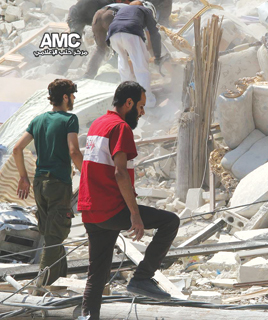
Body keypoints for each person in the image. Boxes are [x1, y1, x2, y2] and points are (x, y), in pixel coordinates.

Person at [78, 81, 179, 320]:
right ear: (129, 103)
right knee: (170, 222)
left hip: (90, 211)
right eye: (141, 106)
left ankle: (87, 316)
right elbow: (120, 172)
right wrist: (135, 215)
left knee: (97, 273)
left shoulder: (98, 124)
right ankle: (142, 278)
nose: (142, 113)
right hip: (111, 209)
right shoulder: (121, 127)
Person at [13, 79, 83, 286]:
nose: (73, 99)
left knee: (51, 233)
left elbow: (17, 149)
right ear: (65, 97)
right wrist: (88, 175)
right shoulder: (70, 120)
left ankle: (58, 281)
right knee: (54, 236)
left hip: (39, 183)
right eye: (72, 95)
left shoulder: (38, 120)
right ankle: (41, 287)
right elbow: (74, 151)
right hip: (58, 184)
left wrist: (23, 177)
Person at [107, 2, 162, 108]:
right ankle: (147, 101)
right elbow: (154, 33)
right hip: (130, 31)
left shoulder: (123, 10)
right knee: (141, 67)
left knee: (123, 65)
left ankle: (127, 98)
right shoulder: (146, 10)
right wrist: (157, 55)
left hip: (113, 33)